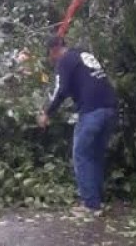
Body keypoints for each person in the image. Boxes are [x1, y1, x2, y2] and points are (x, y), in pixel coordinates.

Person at [38, 36, 118, 214]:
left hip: (92, 111)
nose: (51, 59)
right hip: (110, 109)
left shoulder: (64, 59)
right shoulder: (82, 54)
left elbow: (61, 90)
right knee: (95, 155)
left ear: (55, 49)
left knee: (81, 155)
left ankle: (90, 205)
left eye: (50, 54)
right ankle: (97, 202)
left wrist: (47, 113)